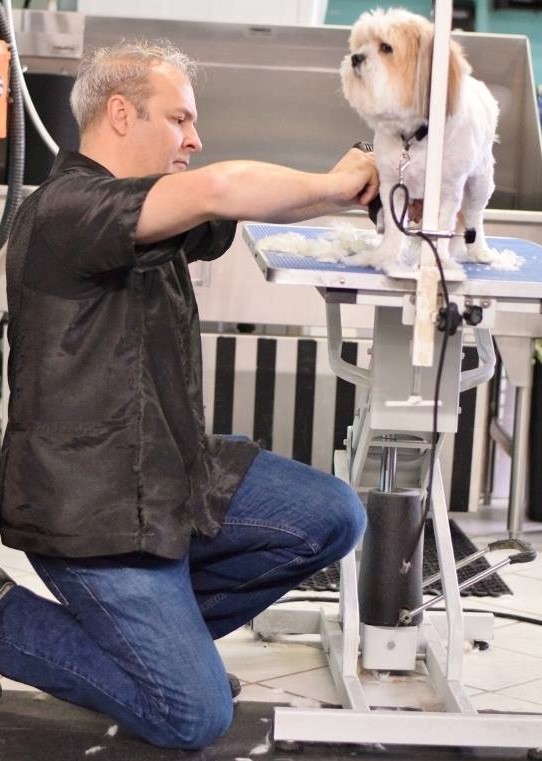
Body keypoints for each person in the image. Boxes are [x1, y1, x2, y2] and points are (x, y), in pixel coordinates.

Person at [0, 41, 378, 749]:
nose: (194, 139)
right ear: (120, 114)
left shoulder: (152, 217)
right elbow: (219, 187)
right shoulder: (67, 210)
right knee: (194, 717)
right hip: (94, 512)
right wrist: (336, 183)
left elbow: (234, 203)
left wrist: (359, 178)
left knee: (333, 514)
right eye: (180, 119)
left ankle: (164, 656)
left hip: (169, 478)